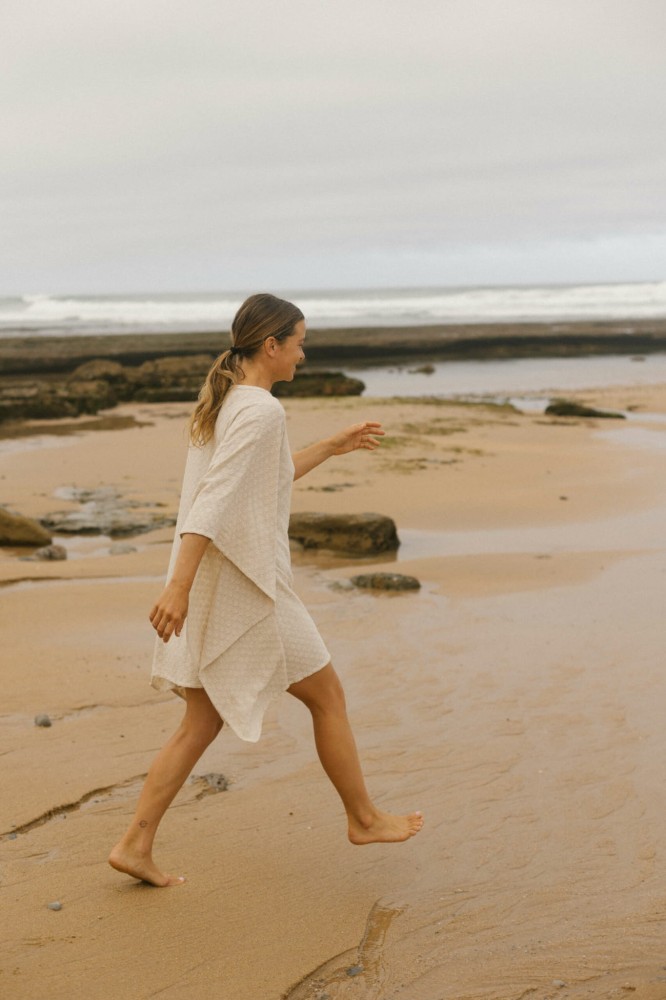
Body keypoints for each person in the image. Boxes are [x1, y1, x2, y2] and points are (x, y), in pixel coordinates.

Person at [109, 293, 424, 887]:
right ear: (271, 345)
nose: (305, 353)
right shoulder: (260, 411)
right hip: (250, 590)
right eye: (300, 341)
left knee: (200, 722)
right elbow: (214, 499)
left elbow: (266, 478)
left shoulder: (230, 402)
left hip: (221, 581)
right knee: (327, 696)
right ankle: (363, 818)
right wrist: (177, 587)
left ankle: (134, 844)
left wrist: (332, 446)